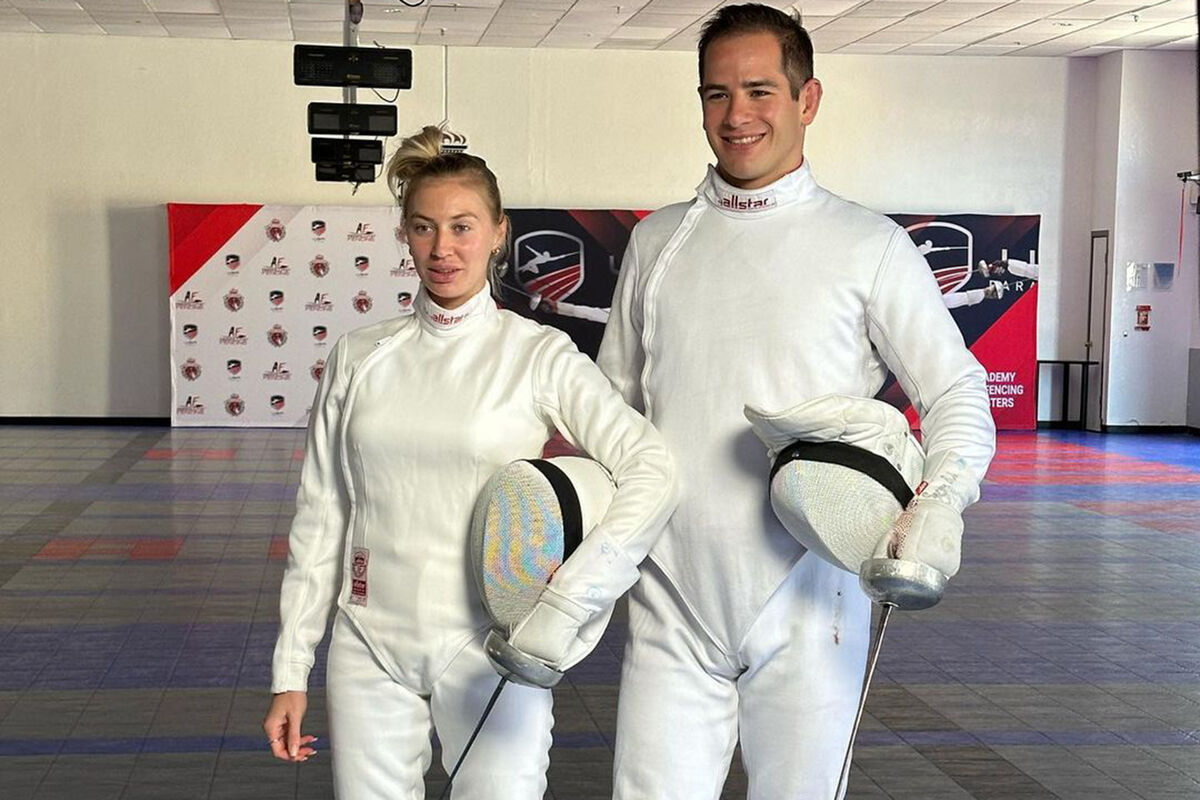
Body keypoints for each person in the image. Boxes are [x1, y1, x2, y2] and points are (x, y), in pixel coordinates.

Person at [596, 5, 996, 798]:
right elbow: (611, 411)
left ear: (807, 99)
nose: (736, 115)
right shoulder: (657, 242)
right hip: (670, 591)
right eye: (716, 94)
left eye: (759, 91)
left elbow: (955, 387)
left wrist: (939, 501)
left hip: (813, 595)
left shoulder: (868, 245)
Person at [263, 125, 676, 800]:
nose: (442, 248)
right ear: (404, 233)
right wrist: (290, 670)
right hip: (368, 641)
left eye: (462, 227)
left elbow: (651, 467)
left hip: (491, 646)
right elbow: (322, 514)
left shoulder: (537, 354)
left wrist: (576, 595)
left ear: (497, 232)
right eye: (424, 228)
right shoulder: (359, 357)